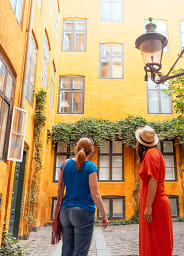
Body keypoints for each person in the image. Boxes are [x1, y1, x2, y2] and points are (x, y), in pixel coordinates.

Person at [57, 137, 109, 256]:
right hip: (83, 212)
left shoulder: (64, 164)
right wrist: (104, 215)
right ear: (91, 150)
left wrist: (61, 208)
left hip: (65, 211)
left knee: (66, 251)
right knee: (80, 252)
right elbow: (95, 193)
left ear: (77, 148)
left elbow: (60, 189)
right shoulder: (90, 167)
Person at [135, 125, 173, 256]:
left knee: (155, 244)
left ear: (141, 143)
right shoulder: (152, 154)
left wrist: (149, 206)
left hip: (155, 203)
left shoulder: (152, 154)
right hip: (154, 202)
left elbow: (153, 180)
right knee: (154, 242)